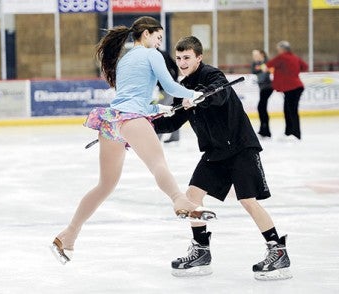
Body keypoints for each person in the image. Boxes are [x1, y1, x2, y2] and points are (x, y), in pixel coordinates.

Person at [50, 17, 216, 265]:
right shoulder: (151, 55)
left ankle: (69, 234)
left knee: (104, 186)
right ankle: (179, 200)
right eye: (158, 38)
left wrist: (160, 108)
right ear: (146, 34)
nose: (159, 43)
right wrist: (194, 94)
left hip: (112, 122)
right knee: (158, 163)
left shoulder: (126, 58)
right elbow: (170, 85)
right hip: (131, 119)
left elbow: (132, 97)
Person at [153, 36, 291, 280]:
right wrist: (143, 126)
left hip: (239, 147)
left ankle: (277, 250)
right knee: (192, 196)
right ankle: (201, 251)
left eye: (187, 57)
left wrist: (200, 96)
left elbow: (220, 95)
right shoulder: (181, 87)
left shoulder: (211, 75)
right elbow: (173, 121)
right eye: (179, 58)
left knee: (248, 200)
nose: (182, 62)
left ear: (199, 57)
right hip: (215, 152)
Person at [265, 41, 308, 141]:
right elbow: (305, 66)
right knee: (288, 109)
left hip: (291, 87)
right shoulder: (295, 57)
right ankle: (289, 132)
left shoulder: (282, 57)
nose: (278, 51)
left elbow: (269, 64)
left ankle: (295, 134)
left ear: (283, 49)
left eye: (279, 49)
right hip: (295, 86)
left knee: (291, 111)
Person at [157, 49, 181, 143]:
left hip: (168, 88)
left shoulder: (156, 55)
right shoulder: (163, 53)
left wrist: (173, 80)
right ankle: (175, 136)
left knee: (161, 111)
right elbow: (174, 65)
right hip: (171, 86)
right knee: (173, 110)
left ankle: (157, 137)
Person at [251, 49, 273, 138]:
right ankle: (264, 130)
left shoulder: (267, 62)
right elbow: (254, 71)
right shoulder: (255, 63)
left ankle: (265, 130)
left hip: (268, 87)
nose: (254, 57)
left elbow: (270, 71)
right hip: (262, 87)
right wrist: (261, 67)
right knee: (262, 108)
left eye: (256, 55)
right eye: (253, 55)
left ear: (262, 54)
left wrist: (264, 68)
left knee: (261, 107)